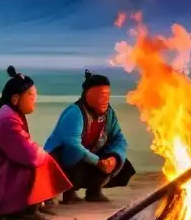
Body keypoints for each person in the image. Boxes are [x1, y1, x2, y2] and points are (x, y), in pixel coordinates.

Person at [0, 66, 71, 220]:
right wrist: (39, 151)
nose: (34, 102)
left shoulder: (10, 114)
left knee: (39, 156)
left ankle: (30, 204)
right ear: (16, 99)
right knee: (35, 161)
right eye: (31, 97)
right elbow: (28, 155)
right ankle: (26, 207)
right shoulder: (8, 120)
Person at [44, 70, 134, 204]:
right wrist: (97, 161)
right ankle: (67, 192)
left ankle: (94, 191)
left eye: (108, 95)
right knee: (74, 161)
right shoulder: (75, 113)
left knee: (124, 166)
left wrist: (114, 158)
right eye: (102, 95)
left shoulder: (109, 114)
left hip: (89, 158)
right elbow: (72, 144)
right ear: (88, 95)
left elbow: (119, 138)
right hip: (67, 162)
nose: (106, 100)